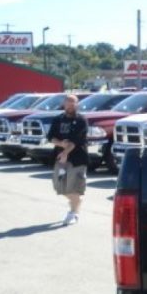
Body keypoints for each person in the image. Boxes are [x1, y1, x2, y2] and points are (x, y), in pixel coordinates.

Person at [48, 94, 88, 225]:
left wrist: (65, 152)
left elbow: (77, 141)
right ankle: (77, 201)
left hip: (77, 159)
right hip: (60, 158)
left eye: (73, 103)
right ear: (64, 104)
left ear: (77, 105)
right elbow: (51, 137)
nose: (70, 106)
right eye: (68, 103)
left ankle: (73, 213)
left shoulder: (82, 120)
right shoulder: (58, 119)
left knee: (72, 187)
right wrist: (61, 144)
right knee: (58, 186)